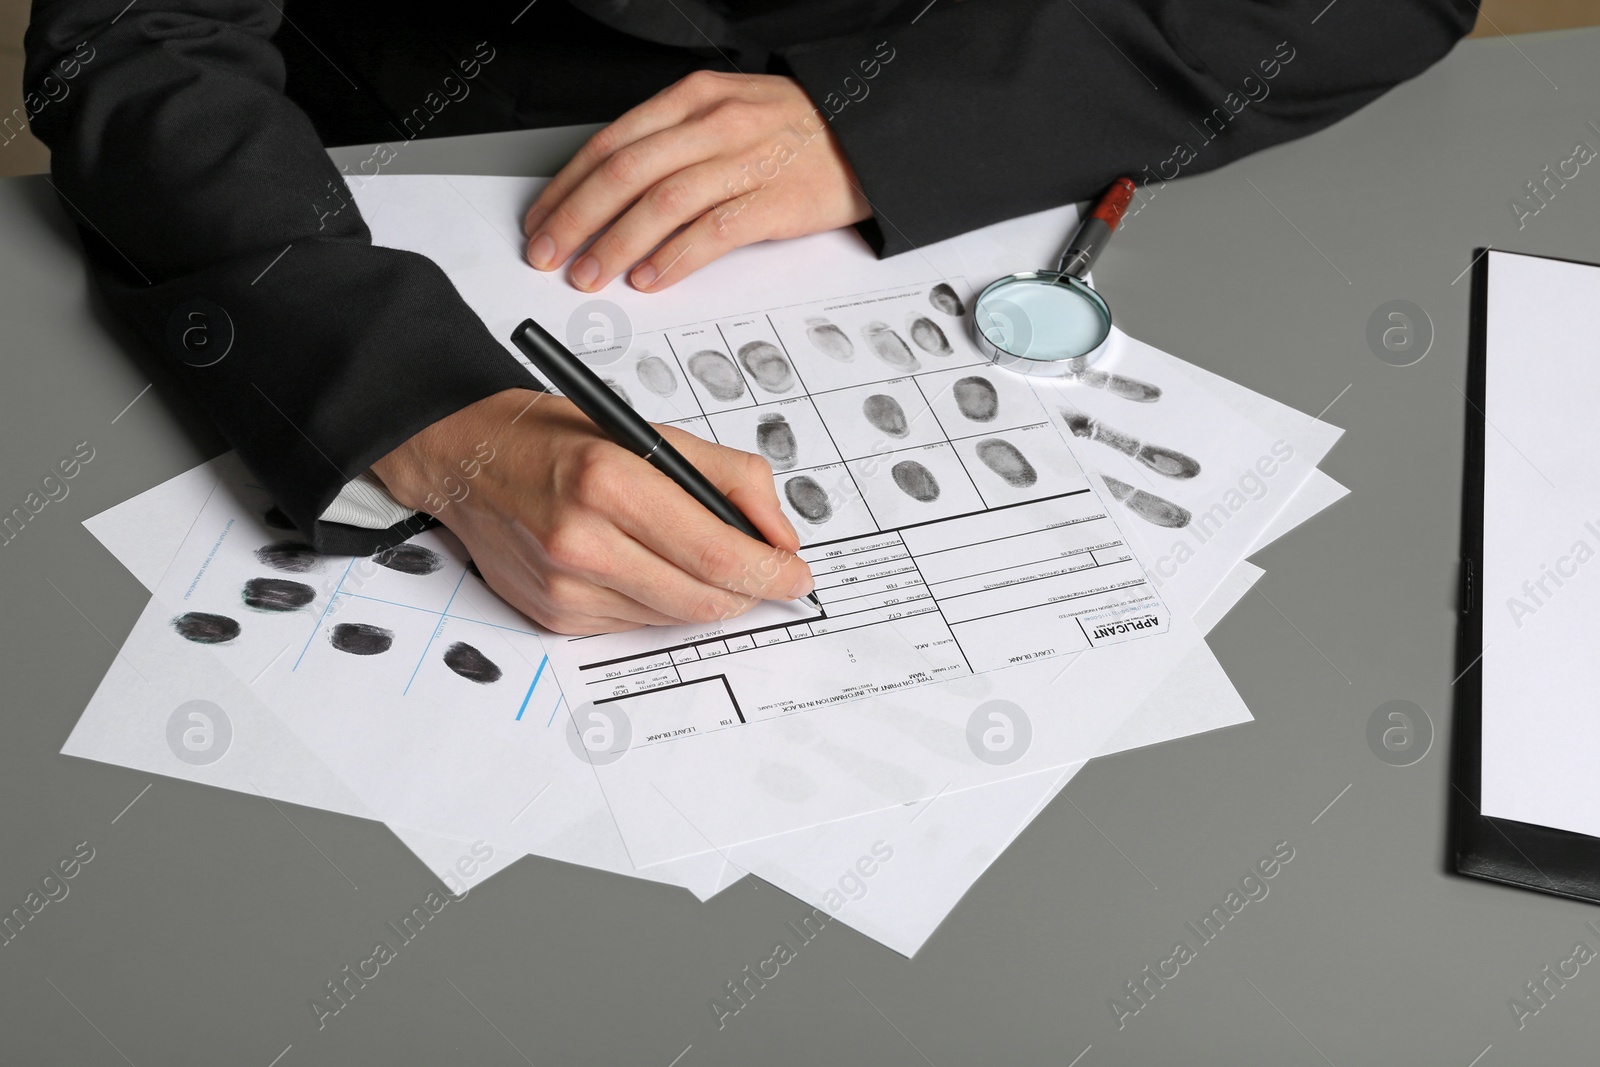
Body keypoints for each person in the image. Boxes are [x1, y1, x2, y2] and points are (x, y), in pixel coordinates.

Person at [23, 0, 1475, 633]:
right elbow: (136, 37)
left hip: (941, 103)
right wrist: (417, 399)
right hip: (398, 130)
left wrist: (894, 123)